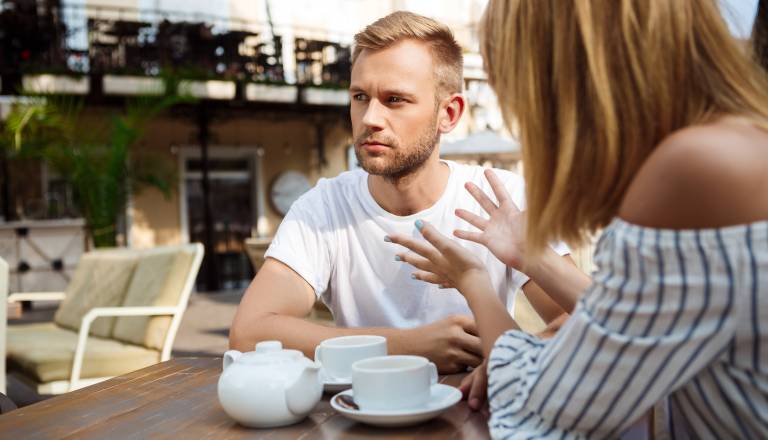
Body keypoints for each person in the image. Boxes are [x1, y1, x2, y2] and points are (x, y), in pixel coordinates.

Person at [387, 0, 768, 438]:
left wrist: (473, 279)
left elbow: (544, 400)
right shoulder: (741, 140)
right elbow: (633, 327)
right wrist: (531, 256)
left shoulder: (693, 170)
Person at [229, 11, 575, 387]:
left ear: (449, 113)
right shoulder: (324, 208)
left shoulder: (498, 199)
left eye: (395, 99)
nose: (370, 118)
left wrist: (509, 358)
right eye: (360, 97)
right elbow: (250, 333)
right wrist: (408, 345)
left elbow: (578, 322)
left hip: (476, 413)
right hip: (362, 414)